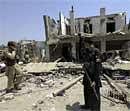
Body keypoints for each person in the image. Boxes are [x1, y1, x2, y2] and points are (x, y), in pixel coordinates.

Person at [81, 40, 102, 111]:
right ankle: (88, 105)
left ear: (90, 44)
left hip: (94, 76)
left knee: (95, 94)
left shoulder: (96, 52)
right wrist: (84, 66)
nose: (85, 46)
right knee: (86, 90)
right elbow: (86, 61)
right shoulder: (87, 51)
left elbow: (98, 67)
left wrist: (95, 80)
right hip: (87, 75)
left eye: (86, 44)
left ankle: (95, 109)